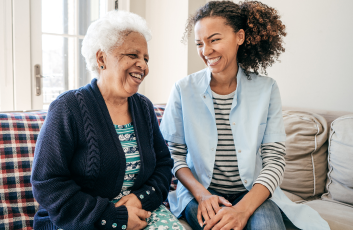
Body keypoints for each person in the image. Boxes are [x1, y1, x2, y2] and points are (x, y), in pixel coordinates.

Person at [160, 1, 330, 230]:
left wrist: (243, 210)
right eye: (200, 43)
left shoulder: (266, 89)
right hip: (201, 193)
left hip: (252, 192)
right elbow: (173, 153)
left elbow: (274, 159)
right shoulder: (183, 89)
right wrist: (201, 195)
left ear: (239, 37)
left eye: (215, 39)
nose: (206, 51)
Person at [31, 10, 184, 230]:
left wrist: (141, 198)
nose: (143, 65)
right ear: (102, 58)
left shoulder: (143, 107)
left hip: (138, 212)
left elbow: (163, 165)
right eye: (133, 55)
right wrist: (114, 216)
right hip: (80, 219)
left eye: (146, 58)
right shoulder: (68, 107)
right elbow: (48, 184)